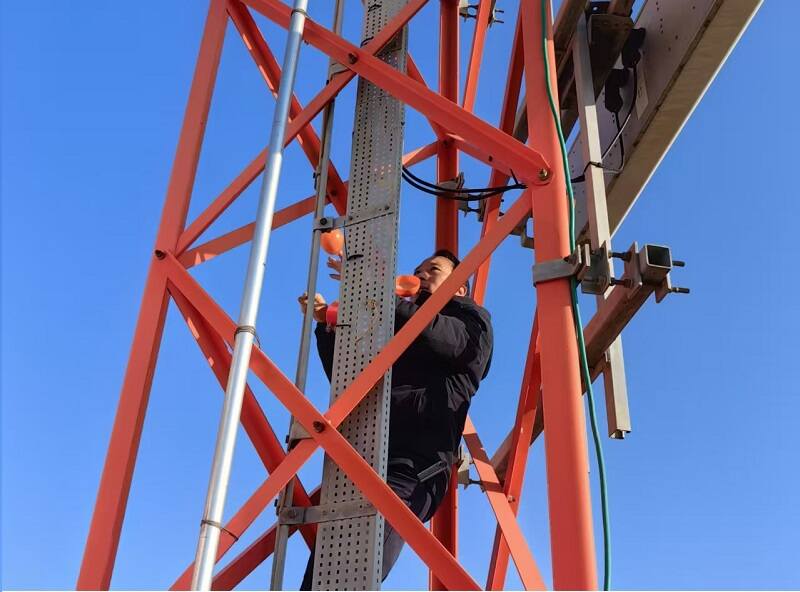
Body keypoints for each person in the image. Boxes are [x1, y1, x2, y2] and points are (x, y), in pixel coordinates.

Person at [297, 249, 493, 589]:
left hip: (414, 467)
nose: (422, 275)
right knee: (324, 572)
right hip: (364, 457)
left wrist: (374, 288)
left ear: (460, 288)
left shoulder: (470, 323)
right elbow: (348, 378)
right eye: (418, 270)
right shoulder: (398, 323)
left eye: (434, 269)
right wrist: (327, 327)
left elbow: (436, 336)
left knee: (353, 572)